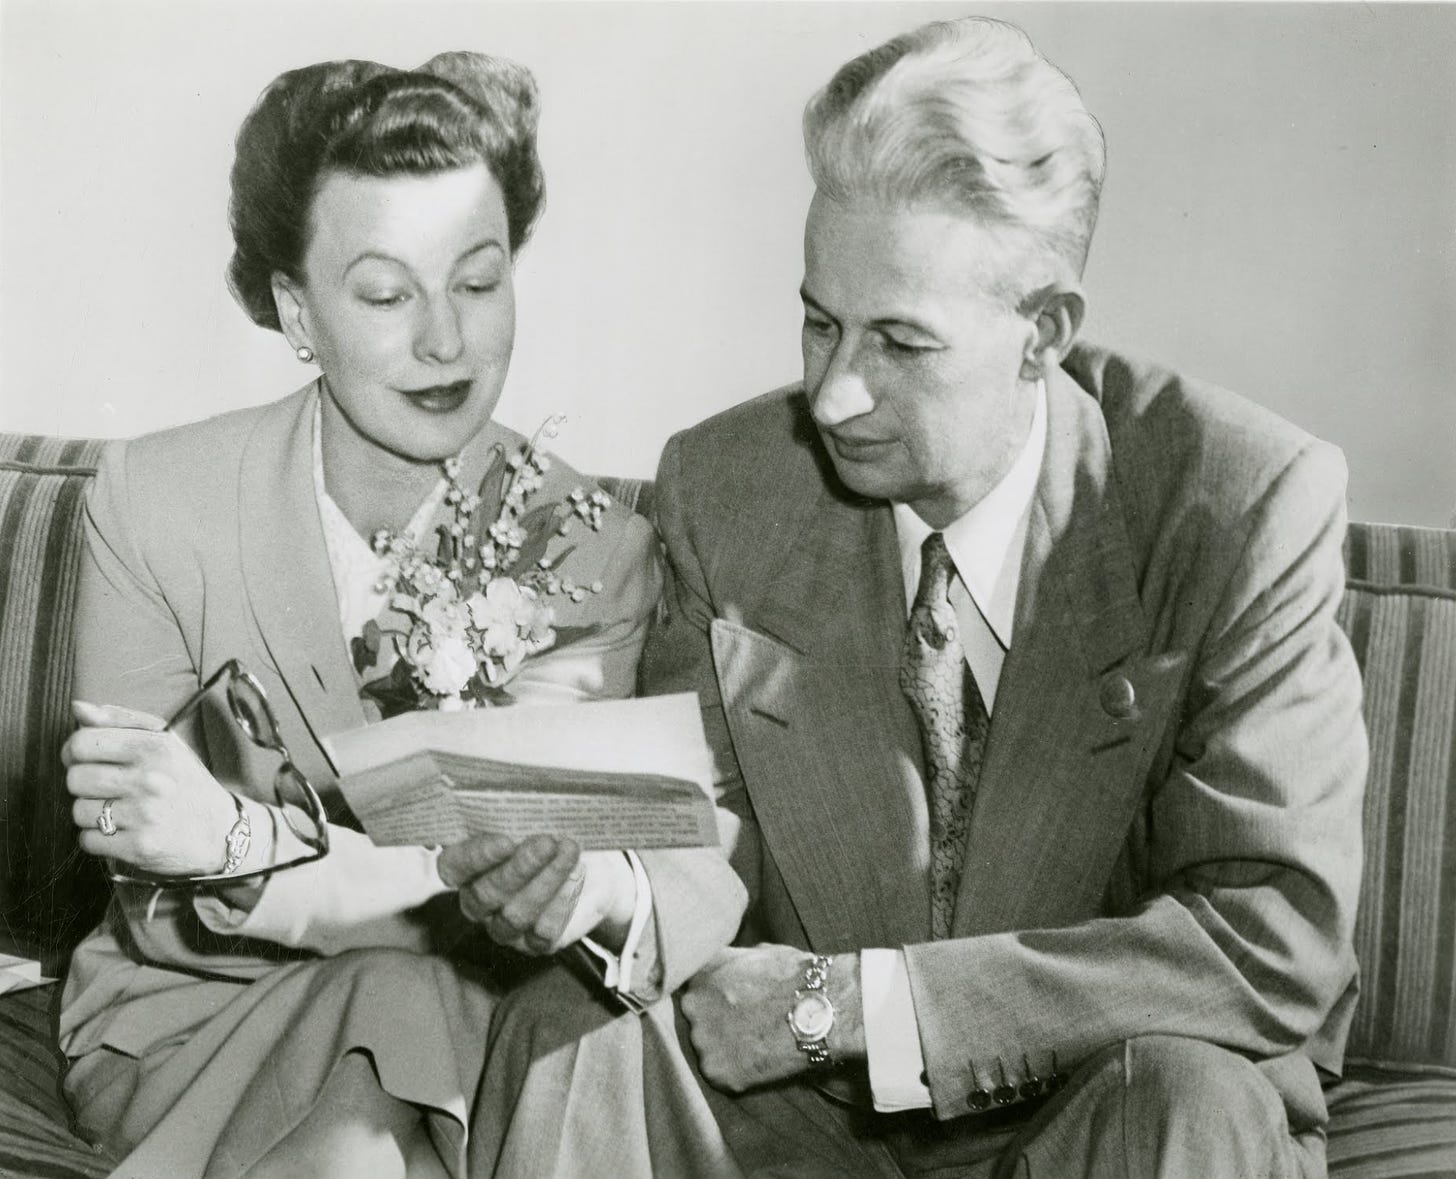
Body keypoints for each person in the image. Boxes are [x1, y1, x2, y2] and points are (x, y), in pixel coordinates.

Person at [643, 17, 1366, 1178]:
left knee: (1190, 1096)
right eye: (819, 323)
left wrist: (859, 1008)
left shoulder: (1235, 501)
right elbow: (687, 856)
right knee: (569, 1034)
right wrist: (592, 884)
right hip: (810, 1121)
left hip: (1112, 1101)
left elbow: (1271, 943)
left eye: (898, 344)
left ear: (1043, 333)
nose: (832, 397)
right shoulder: (722, 488)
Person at [59, 53, 745, 1179]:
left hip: (459, 1003)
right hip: (188, 1014)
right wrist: (271, 858)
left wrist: (236, 840)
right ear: (296, 311)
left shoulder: (588, 545)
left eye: (477, 283)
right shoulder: (156, 501)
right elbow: (149, 878)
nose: (444, 342)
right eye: (385, 294)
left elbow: (505, 893)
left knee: (403, 1048)